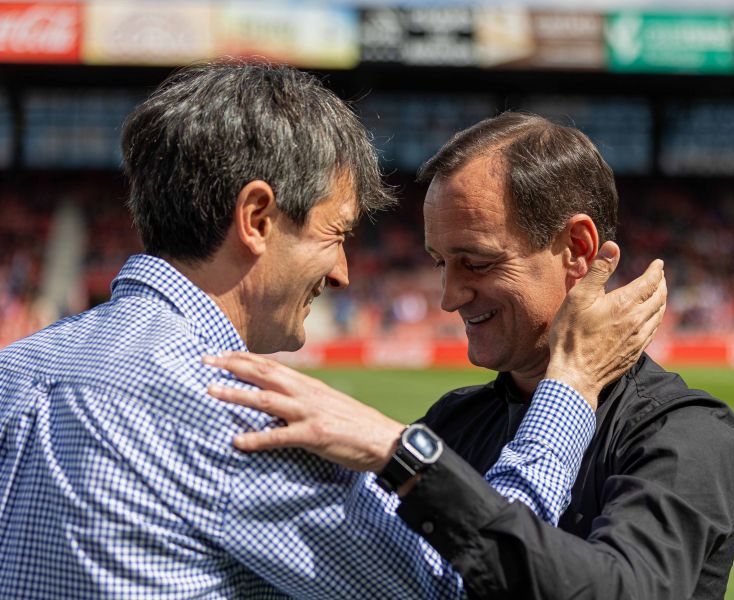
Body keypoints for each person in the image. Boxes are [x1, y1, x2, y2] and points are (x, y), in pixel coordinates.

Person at [0, 64, 665, 598]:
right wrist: (571, 384)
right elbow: (466, 582)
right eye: (335, 233)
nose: (345, 271)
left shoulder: (17, 369)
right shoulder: (237, 411)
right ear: (257, 218)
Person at [208, 113, 734, 599]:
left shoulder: (686, 433)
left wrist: (409, 456)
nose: (448, 296)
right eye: (441, 263)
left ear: (576, 250)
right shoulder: (452, 423)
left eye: (477, 263)